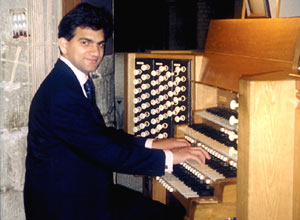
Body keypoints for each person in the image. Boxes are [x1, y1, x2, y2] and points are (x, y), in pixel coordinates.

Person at [23, 3, 210, 220]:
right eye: (86, 43)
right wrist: (169, 158)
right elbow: (108, 154)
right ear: (64, 44)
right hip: (65, 206)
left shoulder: (71, 81)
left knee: (163, 212)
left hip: (79, 190)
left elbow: (98, 135)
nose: (96, 52)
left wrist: (150, 143)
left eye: (100, 44)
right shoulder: (62, 94)